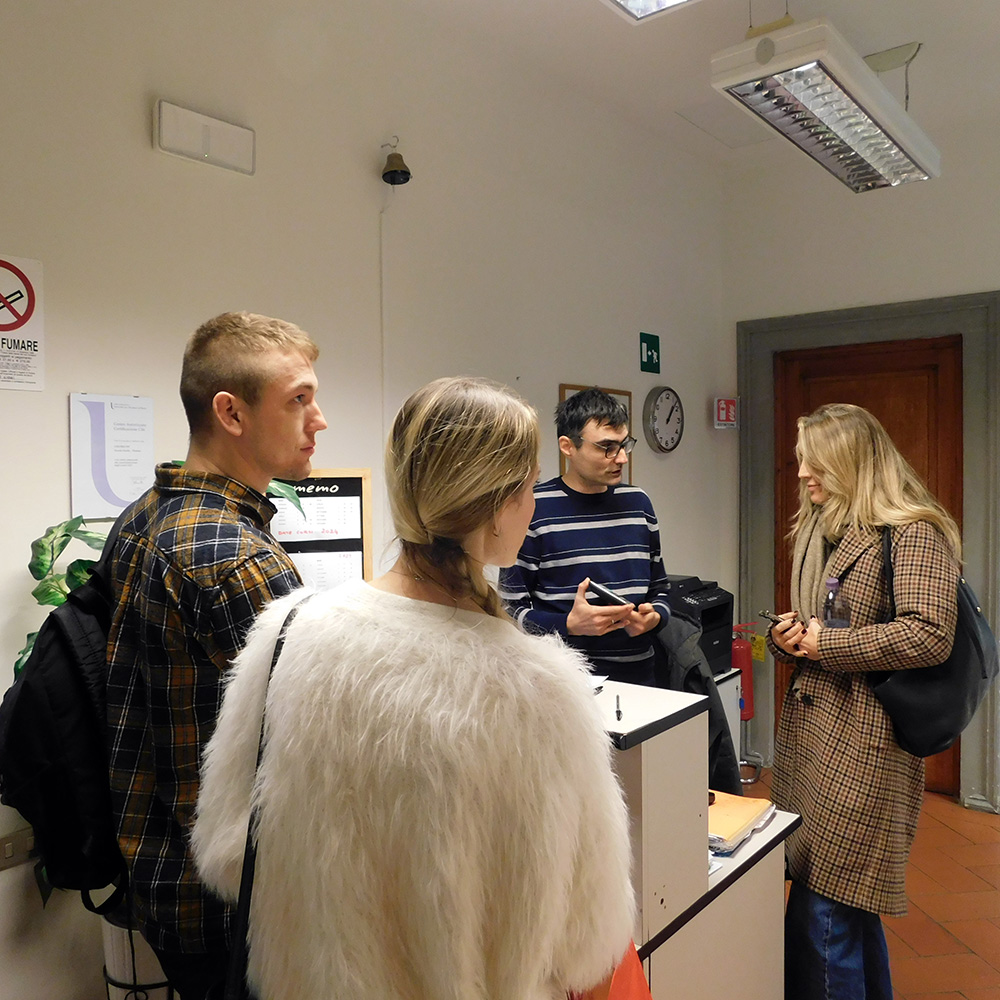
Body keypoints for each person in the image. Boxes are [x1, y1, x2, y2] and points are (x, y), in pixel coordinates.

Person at [192, 376, 635, 1000]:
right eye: (529, 486)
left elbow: (226, 852)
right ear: (499, 503)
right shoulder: (540, 690)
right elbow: (582, 944)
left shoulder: (287, 633)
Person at [105, 311, 328, 1000]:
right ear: (230, 413)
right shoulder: (237, 561)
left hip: (164, 879)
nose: (318, 420)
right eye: (298, 399)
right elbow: (308, 754)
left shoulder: (145, 515)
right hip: (233, 908)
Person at [768, 403, 960, 1000]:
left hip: (866, 743)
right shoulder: (821, 527)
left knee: (823, 913)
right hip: (814, 740)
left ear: (852, 462)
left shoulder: (912, 531)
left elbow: (929, 633)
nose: (800, 472)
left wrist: (827, 642)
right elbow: (822, 624)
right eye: (801, 458)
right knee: (845, 904)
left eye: (813, 459)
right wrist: (790, 637)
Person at [500, 387, 670, 685]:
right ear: (568, 446)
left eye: (624, 445)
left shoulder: (639, 503)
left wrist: (655, 616)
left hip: (639, 675)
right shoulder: (533, 507)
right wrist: (568, 624)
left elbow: (661, 589)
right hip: (564, 681)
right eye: (606, 447)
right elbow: (509, 611)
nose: (621, 459)